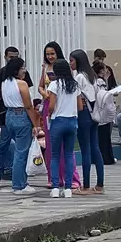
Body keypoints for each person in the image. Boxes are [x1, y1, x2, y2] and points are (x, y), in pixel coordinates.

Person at [0, 56, 41, 195]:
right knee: (21, 152)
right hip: (21, 116)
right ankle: (19, 185)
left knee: (18, 151)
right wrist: (36, 124)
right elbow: (28, 106)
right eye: (22, 68)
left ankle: (20, 181)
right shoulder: (22, 84)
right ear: (16, 70)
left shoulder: (4, 83)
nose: (24, 71)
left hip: (9, 116)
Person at [42, 59, 81, 198]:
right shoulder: (74, 85)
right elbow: (80, 106)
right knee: (69, 154)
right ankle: (69, 188)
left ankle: (55, 188)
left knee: (55, 155)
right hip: (72, 121)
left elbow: (51, 105)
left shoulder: (54, 84)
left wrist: (50, 113)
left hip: (58, 121)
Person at [71, 49, 106, 193]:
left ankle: (85, 186)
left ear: (78, 61)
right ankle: (100, 184)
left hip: (84, 113)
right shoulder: (92, 75)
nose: (70, 63)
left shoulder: (79, 77)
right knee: (95, 147)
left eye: (72, 60)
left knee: (85, 149)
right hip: (94, 113)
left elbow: (76, 96)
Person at [90, 60, 121, 176]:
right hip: (103, 110)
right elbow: (104, 94)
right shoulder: (100, 81)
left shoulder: (94, 81)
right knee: (104, 136)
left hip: (98, 109)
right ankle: (106, 157)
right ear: (101, 71)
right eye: (104, 69)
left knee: (100, 136)